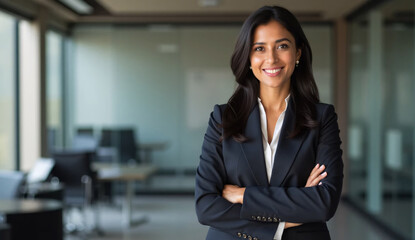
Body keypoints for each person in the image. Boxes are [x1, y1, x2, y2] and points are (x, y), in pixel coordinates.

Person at [195, 5, 343, 240]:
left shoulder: (321, 118)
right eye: (259, 48)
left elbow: (324, 203)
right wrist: (291, 211)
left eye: (282, 46)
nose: (271, 58)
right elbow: (206, 206)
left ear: (298, 53)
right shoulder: (223, 118)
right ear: (248, 57)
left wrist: (244, 195)